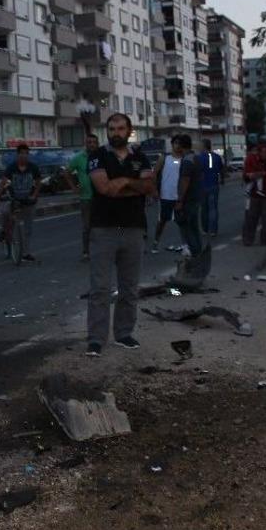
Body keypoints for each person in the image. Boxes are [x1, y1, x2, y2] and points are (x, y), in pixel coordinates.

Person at [86, 113, 154, 357]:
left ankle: (124, 334)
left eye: (121, 128)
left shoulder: (140, 157)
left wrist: (124, 180)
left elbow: (149, 187)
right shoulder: (97, 156)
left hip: (134, 228)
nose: (116, 132)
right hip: (104, 229)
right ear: (107, 131)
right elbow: (104, 189)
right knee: (100, 289)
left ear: (129, 130)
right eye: (112, 128)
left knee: (129, 288)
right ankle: (96, 339)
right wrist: (134, 187)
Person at [0, 143, 42, 261]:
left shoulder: (33, 167)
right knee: (5, 212)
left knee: (28, 229)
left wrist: (34, 195)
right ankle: (4, 232)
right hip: (15, 199)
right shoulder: (11, 167)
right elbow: (3, 182)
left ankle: (26, 253)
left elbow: (38, 182)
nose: (24, 156)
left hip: (29, 201)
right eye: (21, 153)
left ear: (28, 155)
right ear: (18, 154)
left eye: (26, 154)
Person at [151, 134, 188, 253]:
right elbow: (154, 173)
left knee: (182, 221)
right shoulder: (164, 158)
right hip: (165, 195)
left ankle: (185, 245)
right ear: (172, 144)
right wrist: (155, 190)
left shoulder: (185, 159)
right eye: (176, 143)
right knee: (161, 221)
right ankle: (155, 243)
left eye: (180, 143)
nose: (178, 146)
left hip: (179, 196)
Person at [65, 133, 99, 260]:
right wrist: (73, 187)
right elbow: (67, 172)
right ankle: (86, 252)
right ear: (86, 144)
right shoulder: (79, 158)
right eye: (89, 142)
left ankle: (103, 250)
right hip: (86, 198)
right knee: (87, 227)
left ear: (97, 144)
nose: (91, 144)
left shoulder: (102, 157)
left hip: (101, 198)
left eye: (94, 142)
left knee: (102, 226)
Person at [242, 140, 266, 246]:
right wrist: (253, 175)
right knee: (251, 218)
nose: (264, 154)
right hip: (255, 195)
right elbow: (246, 176)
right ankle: (248, 239)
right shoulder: (253, 162)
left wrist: (264, 174)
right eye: (261, 152)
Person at [174, 134, 204, 257]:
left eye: (176, 143)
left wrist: (180, 200)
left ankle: (196, 254)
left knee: (187, 227)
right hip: (196, 197)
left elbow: (185, 181)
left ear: (181, 145)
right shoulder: (195, 158)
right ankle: (199, 252)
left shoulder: (187, 160)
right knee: (194, 227)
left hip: (188, 199)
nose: (175, 146)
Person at [197, 138, 224, 236]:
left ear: (203, 146)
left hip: (203, 185)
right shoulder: (217, 157)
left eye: (200, 145)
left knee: (204, 209)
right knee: (213, 208)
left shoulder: (199, 158)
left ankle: (205, 229)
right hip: (214, 184)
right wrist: (221, 180)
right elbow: (221, 170)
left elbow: (197, 172)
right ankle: (213, 230)